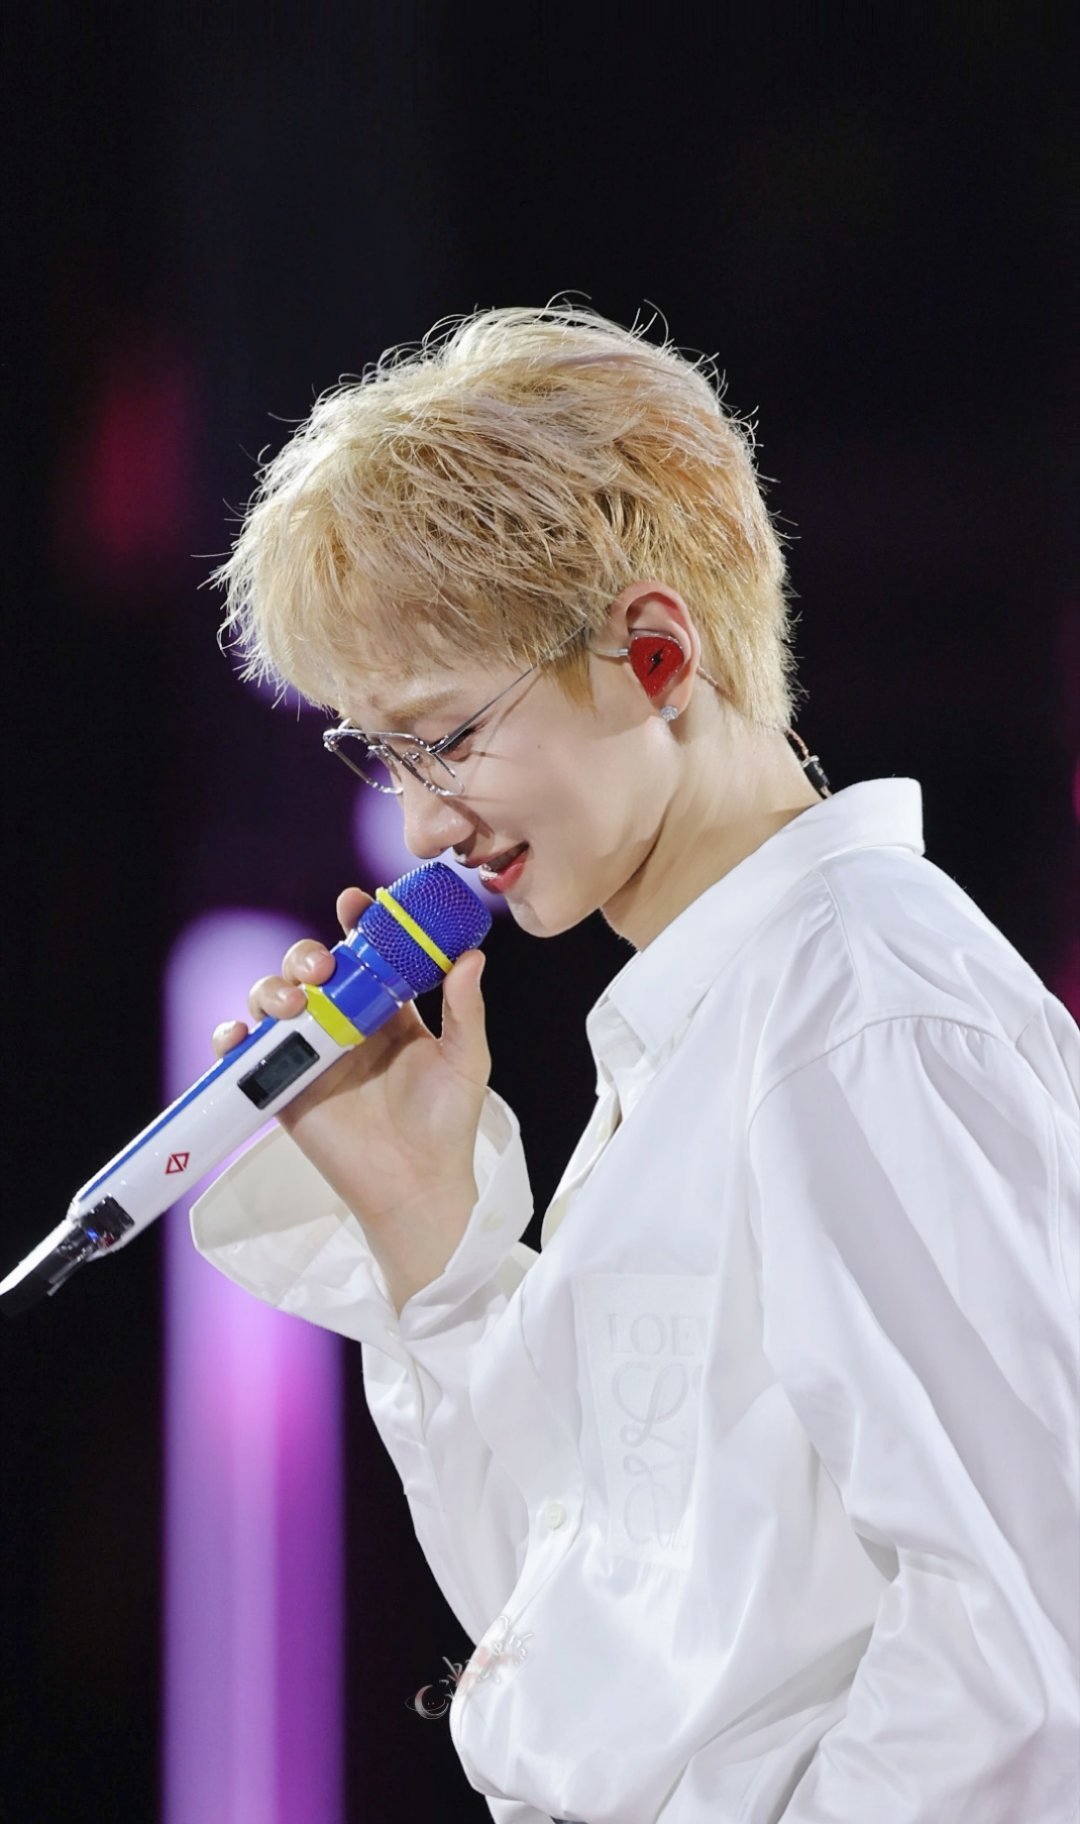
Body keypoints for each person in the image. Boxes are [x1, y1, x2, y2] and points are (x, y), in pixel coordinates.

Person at [190, 304, 1079, 1824]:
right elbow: (593, 1656)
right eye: (383, 757)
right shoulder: (717, 1026)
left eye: (445, 738)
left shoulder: (859, 1005)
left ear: (654, 654)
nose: (420, 825)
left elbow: (1025, 1657)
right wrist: (429, 1235)